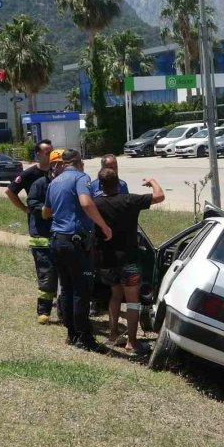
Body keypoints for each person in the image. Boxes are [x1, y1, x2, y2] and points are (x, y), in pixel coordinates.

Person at [44, 149, 113, 351]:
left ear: (63, 164)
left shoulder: (54, 181)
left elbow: (46, 212)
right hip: (76, 242)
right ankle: (85, 338)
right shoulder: (81, 178)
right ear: (80, 162)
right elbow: (86, 203)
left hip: (57, 240)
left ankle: (71, 334)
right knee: (81, 290)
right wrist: (103, 225)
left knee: (65, 288)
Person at [94, 169, 164, 355]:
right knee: (132, 301)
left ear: (100, 185)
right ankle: (132, 343)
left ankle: (113, 334)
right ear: (118, 183)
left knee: (115, 295)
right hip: (129, 261)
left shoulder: (96, 204)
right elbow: (159, 196)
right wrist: (152, 180)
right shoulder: (129, 200)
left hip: (107, 261)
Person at [6, 140, 56, 322]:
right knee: (45, 270)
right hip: (39, 225)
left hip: (57, 227)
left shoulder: (58, 174)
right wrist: (25, 209)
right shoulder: (30, 174)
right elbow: (10, 192)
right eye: (46, 152)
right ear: (38, 154)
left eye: (52, 151)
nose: (50, 155)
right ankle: (44, 309)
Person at [24, 151, 64, 324]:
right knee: (47, 276)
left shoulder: (68, 184)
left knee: (65, 276)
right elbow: (32, 202)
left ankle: (63, 313)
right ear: (54, 165)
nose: (65, 167)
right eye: (62, 164)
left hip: (62, 237)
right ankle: (44, 311)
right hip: (42, 237)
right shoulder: (40, 184)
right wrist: (47, 211)